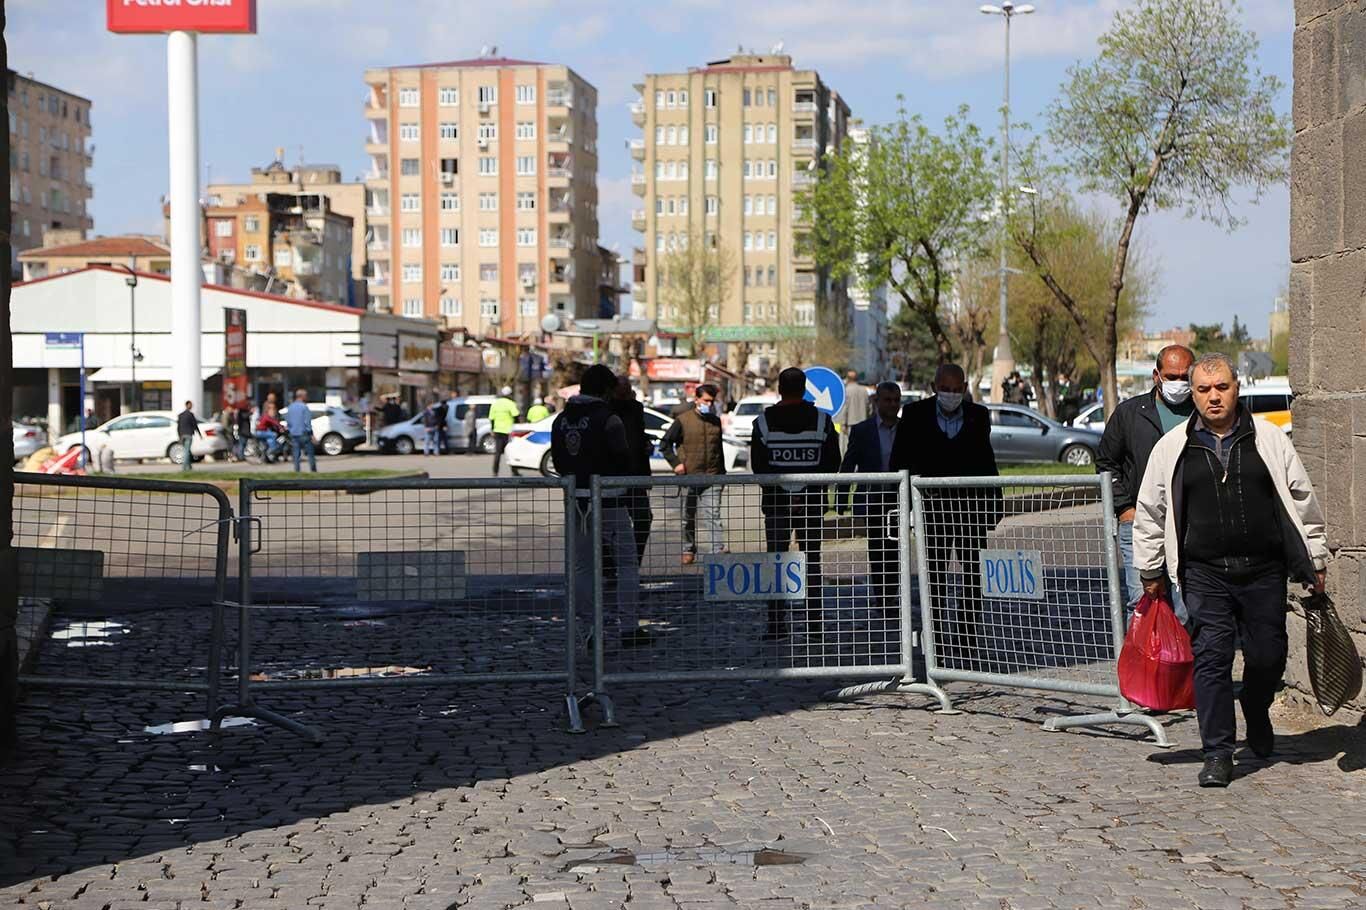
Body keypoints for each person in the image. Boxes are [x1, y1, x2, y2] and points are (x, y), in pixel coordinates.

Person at [1133, 353, 1328, 788]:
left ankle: (1256, 707)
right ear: (1194, 395)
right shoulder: (1173, 447)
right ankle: (1218, 752)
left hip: (1263, 570)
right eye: (1203, 389)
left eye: (1221, 387)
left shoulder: (1269, 439)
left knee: (1267, 655)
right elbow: (1150, 510)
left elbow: (1302, 498)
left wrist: (1315, 557)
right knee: (1212, 656)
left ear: (1237, 388)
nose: (1213, 397)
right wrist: (1150, 568)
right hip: (1204, 573)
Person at [890, 363, 1001, 665]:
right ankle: (935, 637)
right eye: (945, 389)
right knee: (933, 576)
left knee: (971, 575)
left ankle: (966, 637)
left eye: (956, 389)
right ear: (934, 387)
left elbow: (986, 460)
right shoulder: (915, 414)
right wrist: (902, 506)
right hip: (931, 509)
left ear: (964, 388)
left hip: (969, 510)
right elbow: (900, 461)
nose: (950, 394)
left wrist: (993, 504)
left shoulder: (978, 416)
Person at [1097, 344, 1197, 628]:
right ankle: (1141, 657)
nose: (1179, 383)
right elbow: (1106, 463)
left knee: (1186, 606)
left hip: (1190, 526)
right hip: (1139, 524)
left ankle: (1182, 656)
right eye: (1172, 376)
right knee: (1142, 601)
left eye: (1185, 377)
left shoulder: (1202, 413)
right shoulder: (1130, 413)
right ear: (1157, 376)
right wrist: (1124, 509)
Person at [552, 364, 644, 647]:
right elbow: (623, 458)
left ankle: (590, 630)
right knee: (626, 563)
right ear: (606, 390)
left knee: (582, 567)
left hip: (577, 500)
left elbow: (558, 462)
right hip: (610, 499)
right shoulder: (608, 418)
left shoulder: (561, 420)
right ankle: (629, 627)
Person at [750, 367, 841, 638]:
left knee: (776, 562)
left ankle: (776, 624)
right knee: (812, 562)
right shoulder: (823, 421)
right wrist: (804, 492)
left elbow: (759, 467)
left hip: (776, 505)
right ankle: (814, 626)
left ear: (779, 389)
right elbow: (832, 463)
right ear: (804, 389)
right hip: (812, 504)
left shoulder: (763, 423)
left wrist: (786, 494)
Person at [840, 381, 903, 616]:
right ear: (877, 401)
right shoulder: (862, 430)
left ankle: (892, 595)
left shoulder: (907, 430)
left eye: (896, 400)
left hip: (898, 499)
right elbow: (849, 464)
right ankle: (882, 598)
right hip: (872, 499)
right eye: (887, 400)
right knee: (877, 548)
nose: (892, 405)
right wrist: (841, 499)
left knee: (895, 548)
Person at [660, 382, 727, 566]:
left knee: (713, 515)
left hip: (713, 476)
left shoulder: (715, 421)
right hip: (689, 477)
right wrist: (676, 464)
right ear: (696, 399)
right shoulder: (683, 420)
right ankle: (688, 548)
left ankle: (717, 550)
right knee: (687, 517)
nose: (709, 404)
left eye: (712, 401)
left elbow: (718, 449)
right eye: (706, 400)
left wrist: (722, 475)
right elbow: (665, 444)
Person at [611, 376, 654, 566]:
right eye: (623, 390)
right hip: (613, 477)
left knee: (643, 519)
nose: (627, 393)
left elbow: (638, 435)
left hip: (636, 476)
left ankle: (632, 564)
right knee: (612, 525)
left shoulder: (636, 409)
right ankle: (612, 567)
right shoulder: (606, 410)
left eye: (628, 389)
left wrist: (646, 445)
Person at [489, 386, 520, 476]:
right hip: (509, 431)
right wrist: (517, 426)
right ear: (510, 394)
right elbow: (516, 416)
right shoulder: (511, 403)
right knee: (511, 452)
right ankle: (514, 471)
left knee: (497, 452)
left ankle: (495, 471)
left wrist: (492, 429)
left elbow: (491, 418)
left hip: (497, 430)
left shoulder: (495, 403)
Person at [285, 388, 317, 473]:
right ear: (302, 396)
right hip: (304, 433)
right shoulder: (304, 407)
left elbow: (288, 421)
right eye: (306, 395)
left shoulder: (290, 407)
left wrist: (291, 430)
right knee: (310, 453)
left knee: (296, 454)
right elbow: (307, 422)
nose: (307, 397)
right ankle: (313, 470)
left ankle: (297, 470)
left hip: (294, 433)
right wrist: (311, 434)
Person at [837, 370, 870, 454]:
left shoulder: (846, 391)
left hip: (850, 424)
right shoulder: (864, 390)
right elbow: (869, 407)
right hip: (863, 423)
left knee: (849, 449)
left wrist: (843, 423)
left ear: (848, 379)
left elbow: (845, 408)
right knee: (862, 449)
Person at [176, 401, 200, 472]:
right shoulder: (190, 415)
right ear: (187, 405)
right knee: (186, 451)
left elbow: (178, 427)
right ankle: (184, 467)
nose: (191, 406)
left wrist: (179, 436)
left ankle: (189, 467)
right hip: (188, 435)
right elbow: (195, 425)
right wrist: (199, 434)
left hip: (182, 435)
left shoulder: (180, 415)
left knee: (187, 450)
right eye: (190, 405)